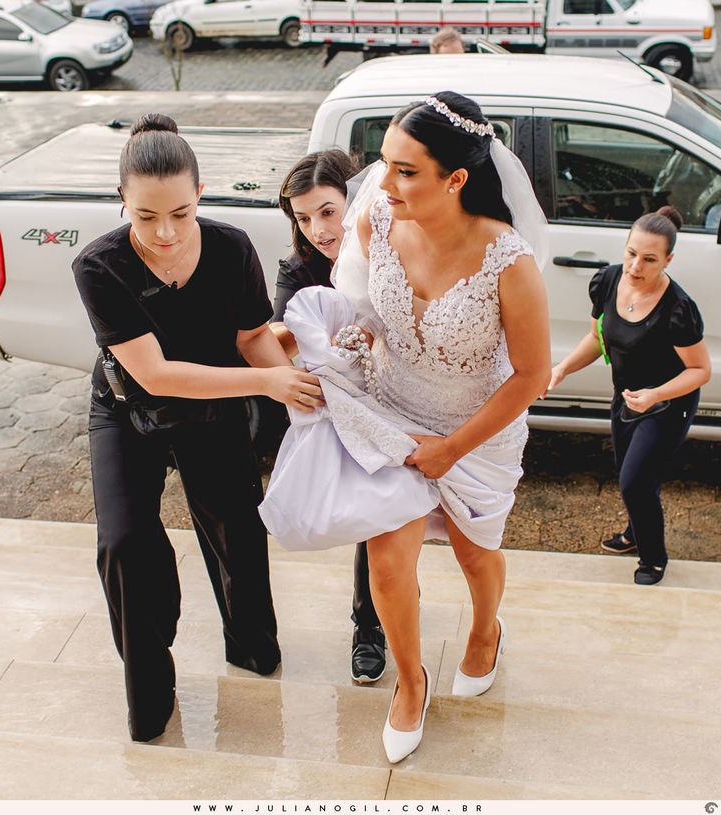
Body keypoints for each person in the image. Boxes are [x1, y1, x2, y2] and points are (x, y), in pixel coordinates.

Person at [282, 92, 552, 763]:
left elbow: (530, 377)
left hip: (476, 430)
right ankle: (410, 681)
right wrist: (350, 334)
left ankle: (485, 630)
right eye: (385, 164)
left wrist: (452, 449)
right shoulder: (376, 219)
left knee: (473, 555)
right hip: (393, 413)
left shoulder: (509, 262)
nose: (384, 184)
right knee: (386, 561)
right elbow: (367, 305)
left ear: (455, 179)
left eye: (406, 171)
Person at [71, 113, 323, 743]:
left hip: (213, 409)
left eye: (181, 214)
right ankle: (151, 689)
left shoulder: (233, 247)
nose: (165, 232)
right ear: (122, 200)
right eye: (145, 216)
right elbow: (155, 375)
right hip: (127, 410)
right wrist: (263, 385)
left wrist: (297, 389)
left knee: (238, 530)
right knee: (126, 544)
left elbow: (253, 338)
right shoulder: (98, 265)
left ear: (201, 194)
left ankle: (252, 646)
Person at [544, 206, 711, 586]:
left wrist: (655, 395)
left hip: (668, 404)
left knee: (635, 482)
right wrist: (562, 369)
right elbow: (597, 338)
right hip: (627, 398)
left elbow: (701, 370)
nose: (636, 266)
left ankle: (653, 558)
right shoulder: (607, 282)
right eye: (631, 253)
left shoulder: (678, 309)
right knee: (632, 475)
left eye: (649, 259)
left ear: (668, 260)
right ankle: (636, 533)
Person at [271, 149, 387, 685]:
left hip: (398, 393)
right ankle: (371, 623)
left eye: (327, 211)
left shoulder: (390, 249)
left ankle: (377, 616)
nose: (318, 229)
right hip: (338, 403)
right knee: (369, 511)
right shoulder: (298, 269)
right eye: (302, 218)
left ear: (353, 200)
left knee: (388, 518)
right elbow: (278, 335)